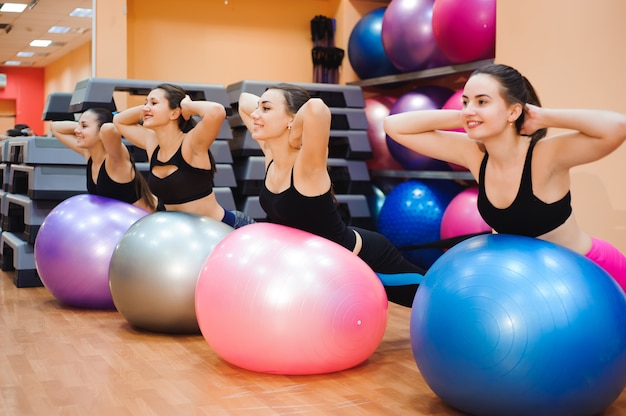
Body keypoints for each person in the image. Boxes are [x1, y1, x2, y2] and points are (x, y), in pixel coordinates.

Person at [384, 63, 626, 292]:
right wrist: (465, 116)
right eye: (466, 101)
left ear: (514, 111)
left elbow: (616, 127)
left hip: (591, 275)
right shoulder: (475, 153)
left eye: (482, 101)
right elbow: (394, 126)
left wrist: (543, 117)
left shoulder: (544, 155)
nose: (469, 108)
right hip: (531, 285)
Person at [238, 83, 425, 307]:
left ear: (291, 119)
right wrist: (271, 111)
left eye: (266, 109)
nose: (255, 115)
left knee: (431, 300)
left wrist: (295, 133)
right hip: (324, 268)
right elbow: (243, 101)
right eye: (258, 108)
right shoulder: (270, 154)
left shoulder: (308, 163)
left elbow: (317, 108)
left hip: (365, 259)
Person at [113, 83, 254, 228]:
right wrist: (147, 108)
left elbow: (216, 111)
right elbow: (119, 121)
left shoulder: (192, 142)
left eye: (154, 103)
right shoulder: (152, 143)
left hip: (226, 229)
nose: (146, 107)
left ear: (174, 113)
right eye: (146, 103)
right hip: (185, 237)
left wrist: (187, 105)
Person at [51, 107, 157, 212]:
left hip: (147, 223)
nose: (76, 131)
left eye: (84, 126)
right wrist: (83, 127)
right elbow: (55, 127)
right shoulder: (89, 154)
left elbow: (109, 129)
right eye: (79, 125)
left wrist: (100, 126)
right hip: (122, 225)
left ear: (100, 132)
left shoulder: (115, 158)